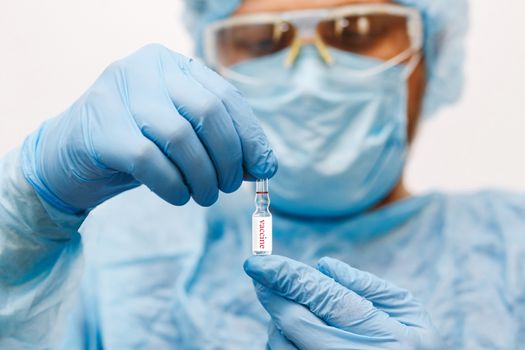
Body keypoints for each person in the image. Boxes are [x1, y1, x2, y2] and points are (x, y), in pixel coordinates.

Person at [1, 0, 524, 348]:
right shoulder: (116, 251)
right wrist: (24, 210)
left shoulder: (511, 251)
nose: (310, 76)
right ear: (213, 58)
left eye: (356, 30)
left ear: (435, 48)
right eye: (263, 40)